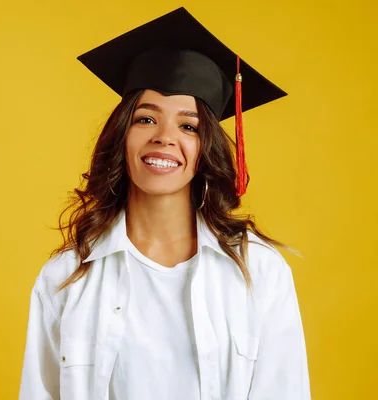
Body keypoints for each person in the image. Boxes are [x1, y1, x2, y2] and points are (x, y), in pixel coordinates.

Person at [19, 7, 311, 400]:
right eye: (145, 119)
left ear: (204, 147)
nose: (164, 137)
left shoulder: (258, 271)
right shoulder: (66, 277)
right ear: (122, 136)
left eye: (188, 126)